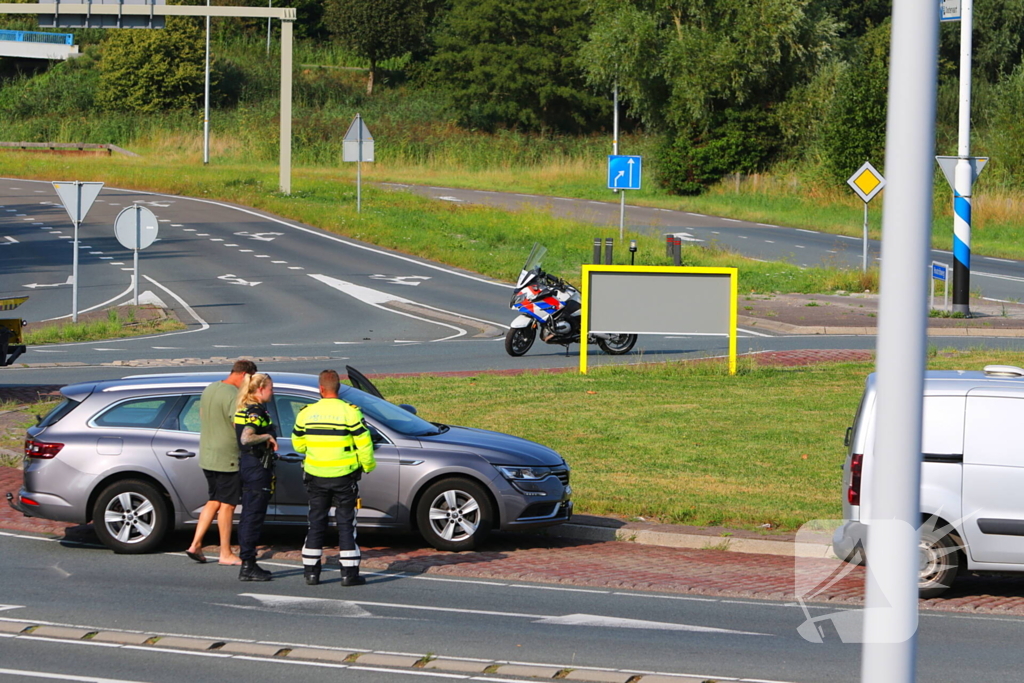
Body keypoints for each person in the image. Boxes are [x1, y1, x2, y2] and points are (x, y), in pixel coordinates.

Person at [293, 369, 376, 587]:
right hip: (344, 477)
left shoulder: (306, 413)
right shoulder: (350, 412)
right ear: (338, 388)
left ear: (320, 389)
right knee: (346, 523)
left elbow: (298, 445)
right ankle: (349, 575)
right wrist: (367, 466)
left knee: (316, 522)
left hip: (316, 476)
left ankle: (311, 573)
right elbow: (364, 444)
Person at [186, 359, 257, 565]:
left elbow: (202, 414)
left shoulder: (211, 388)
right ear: (244, 375)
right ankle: (225, 553)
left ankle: (195, 544)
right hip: (227, 457)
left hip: (208, 454)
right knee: (228, 504)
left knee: (214, 499)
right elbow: (238, 425)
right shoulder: (234, 395)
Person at [234, 373, 278, 582]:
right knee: (253, 515)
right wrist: (267, 436)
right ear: (260, 389)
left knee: (248, 514)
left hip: (248, 464)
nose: (272, 392)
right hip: (256, 466)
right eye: (270, 388)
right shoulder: (256, 411)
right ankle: (248, 564)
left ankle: (247, 561)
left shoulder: (243, 408)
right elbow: (246, 437)